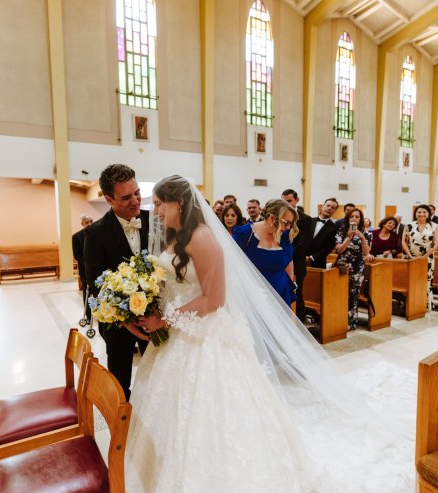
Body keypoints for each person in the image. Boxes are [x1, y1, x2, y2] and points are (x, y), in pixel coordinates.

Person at [126, 175, 414, 492]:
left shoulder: (203, 237)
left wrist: (166, 319)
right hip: (177, 332)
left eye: (160, 204)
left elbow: (214, 298)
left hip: (202, 334)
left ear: (179, 203)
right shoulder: (174, 235)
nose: (156, 211)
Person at [83, 164, 150, 401]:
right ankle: (122, 420)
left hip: (153, 319)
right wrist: (125, 320)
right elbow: (96, 283)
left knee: (157, 376)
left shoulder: (155, 222)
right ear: (109, 199)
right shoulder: (95, 234)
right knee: (120, 381)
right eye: (126, 197)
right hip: (117, 324)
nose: (135, 201)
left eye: (137, 193)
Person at [233, 199, 297, 306]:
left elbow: (289, 265)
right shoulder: (245, 234)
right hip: (252, 300)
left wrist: (288, 290)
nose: (288, 227)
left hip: (280, 298)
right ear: (272, 218)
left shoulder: (285, 237)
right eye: (286, 223)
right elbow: (233, 265)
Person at [335, 209, 372, 331]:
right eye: (352, 216)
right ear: (348, 218)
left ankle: (351, 322)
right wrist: (349, 237)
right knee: (340, 293)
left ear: (361, 219)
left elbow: (366, 252)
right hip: (342, 265)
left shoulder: (367, 233)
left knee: (353, 294)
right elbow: (339, 250)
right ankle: (338, 319)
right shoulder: (341, 231)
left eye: (357, 217)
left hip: (357, 267)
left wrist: (362, 238)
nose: (354, 219)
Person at [281, 188, 313, 322]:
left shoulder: (306, 219)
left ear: (297, 200)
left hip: (297, 263)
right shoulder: (280, 218)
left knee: (297, 294)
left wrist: (284, 255)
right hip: (281, 263)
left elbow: (302, 244)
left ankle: (300, 323)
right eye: (284, 201)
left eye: (289, 201)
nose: (286, 204)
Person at [402, 205, 438, 311]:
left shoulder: (435, 226)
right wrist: (410, 255)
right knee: (410, 280)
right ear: (415, 213)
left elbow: (435, 243)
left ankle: (425, 304)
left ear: (428, 214)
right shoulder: (409, 225)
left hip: (427, 257)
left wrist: (424, 256)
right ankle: (410, 304)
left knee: (426, 280)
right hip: (410, 256)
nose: (421, 214)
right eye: (419, 212)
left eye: (424, 212)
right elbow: (404, 242)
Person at [71, 214, 94, 320]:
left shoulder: (98, 234)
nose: (89, 224)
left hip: (98, 269)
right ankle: (88, 315)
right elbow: (77, 256)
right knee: (87, 291)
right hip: (85, 270)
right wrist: (89, 262)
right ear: (82, 224)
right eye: (87, 222)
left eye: (91, 221)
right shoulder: (76, 237)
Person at [305, 197, 338, 268]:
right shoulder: (308, 221)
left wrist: (311, 258)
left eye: (333, 207)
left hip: (318, 262)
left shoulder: (334, 228)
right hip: (301, 259)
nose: (329, 208)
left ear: (334, 211)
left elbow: (328, 248)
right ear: (322, 207)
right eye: (328, 205)